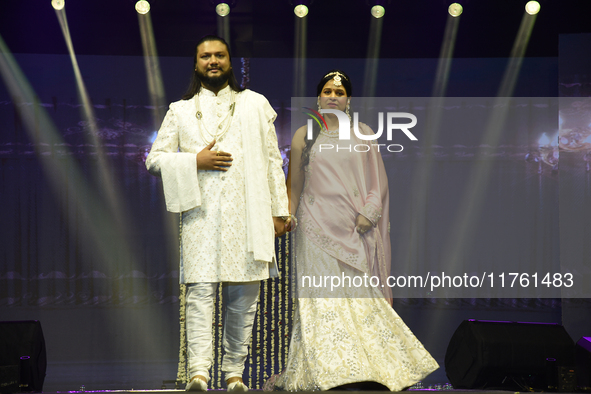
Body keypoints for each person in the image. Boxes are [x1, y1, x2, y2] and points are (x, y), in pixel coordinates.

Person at [274, 70, 439, 391]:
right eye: (327, 91)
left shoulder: (363, 133)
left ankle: (375, 367)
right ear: (317, 97)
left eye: (339, 92)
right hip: (314, 230)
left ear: (348, 100)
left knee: (361, 299)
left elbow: (378, 182)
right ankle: (330, 371)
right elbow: (293, 186)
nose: (333, 96)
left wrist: (370, 211)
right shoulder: (303, 135)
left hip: (354, 230)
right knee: (321, 300)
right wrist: (285, 218)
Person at [145, 35, 290, 392]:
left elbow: (273, 161)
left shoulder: (255, 104)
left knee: (243, 299)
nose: (213, 61)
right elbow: (154, 159)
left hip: (249, 213)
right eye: (206, 56)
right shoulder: (180, 111)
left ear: (230, 61)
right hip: (201, 215)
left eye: (219, 55)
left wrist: (279, 211)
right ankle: (199, 374)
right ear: (196, 64)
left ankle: (234, 374)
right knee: (200, 296)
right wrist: (195, 160)